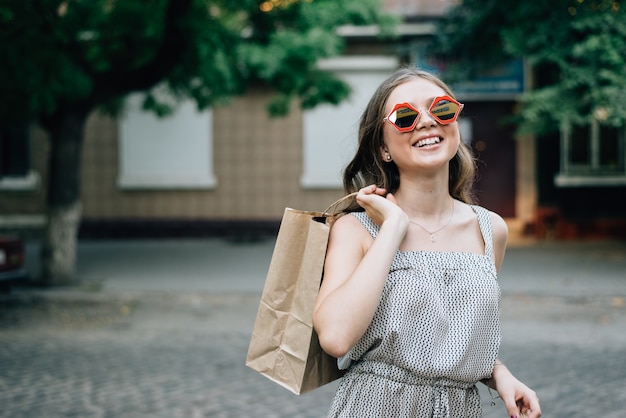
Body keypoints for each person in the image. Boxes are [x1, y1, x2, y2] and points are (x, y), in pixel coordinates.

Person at [313, 66, 541, 418]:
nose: (427, 121)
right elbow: (335, 337)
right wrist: (392, 228)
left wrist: (499, 375)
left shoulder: (489, 229)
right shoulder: (356, 230)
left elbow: (448, 334)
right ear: (383, 148)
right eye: (405, 116)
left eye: (441, 108)